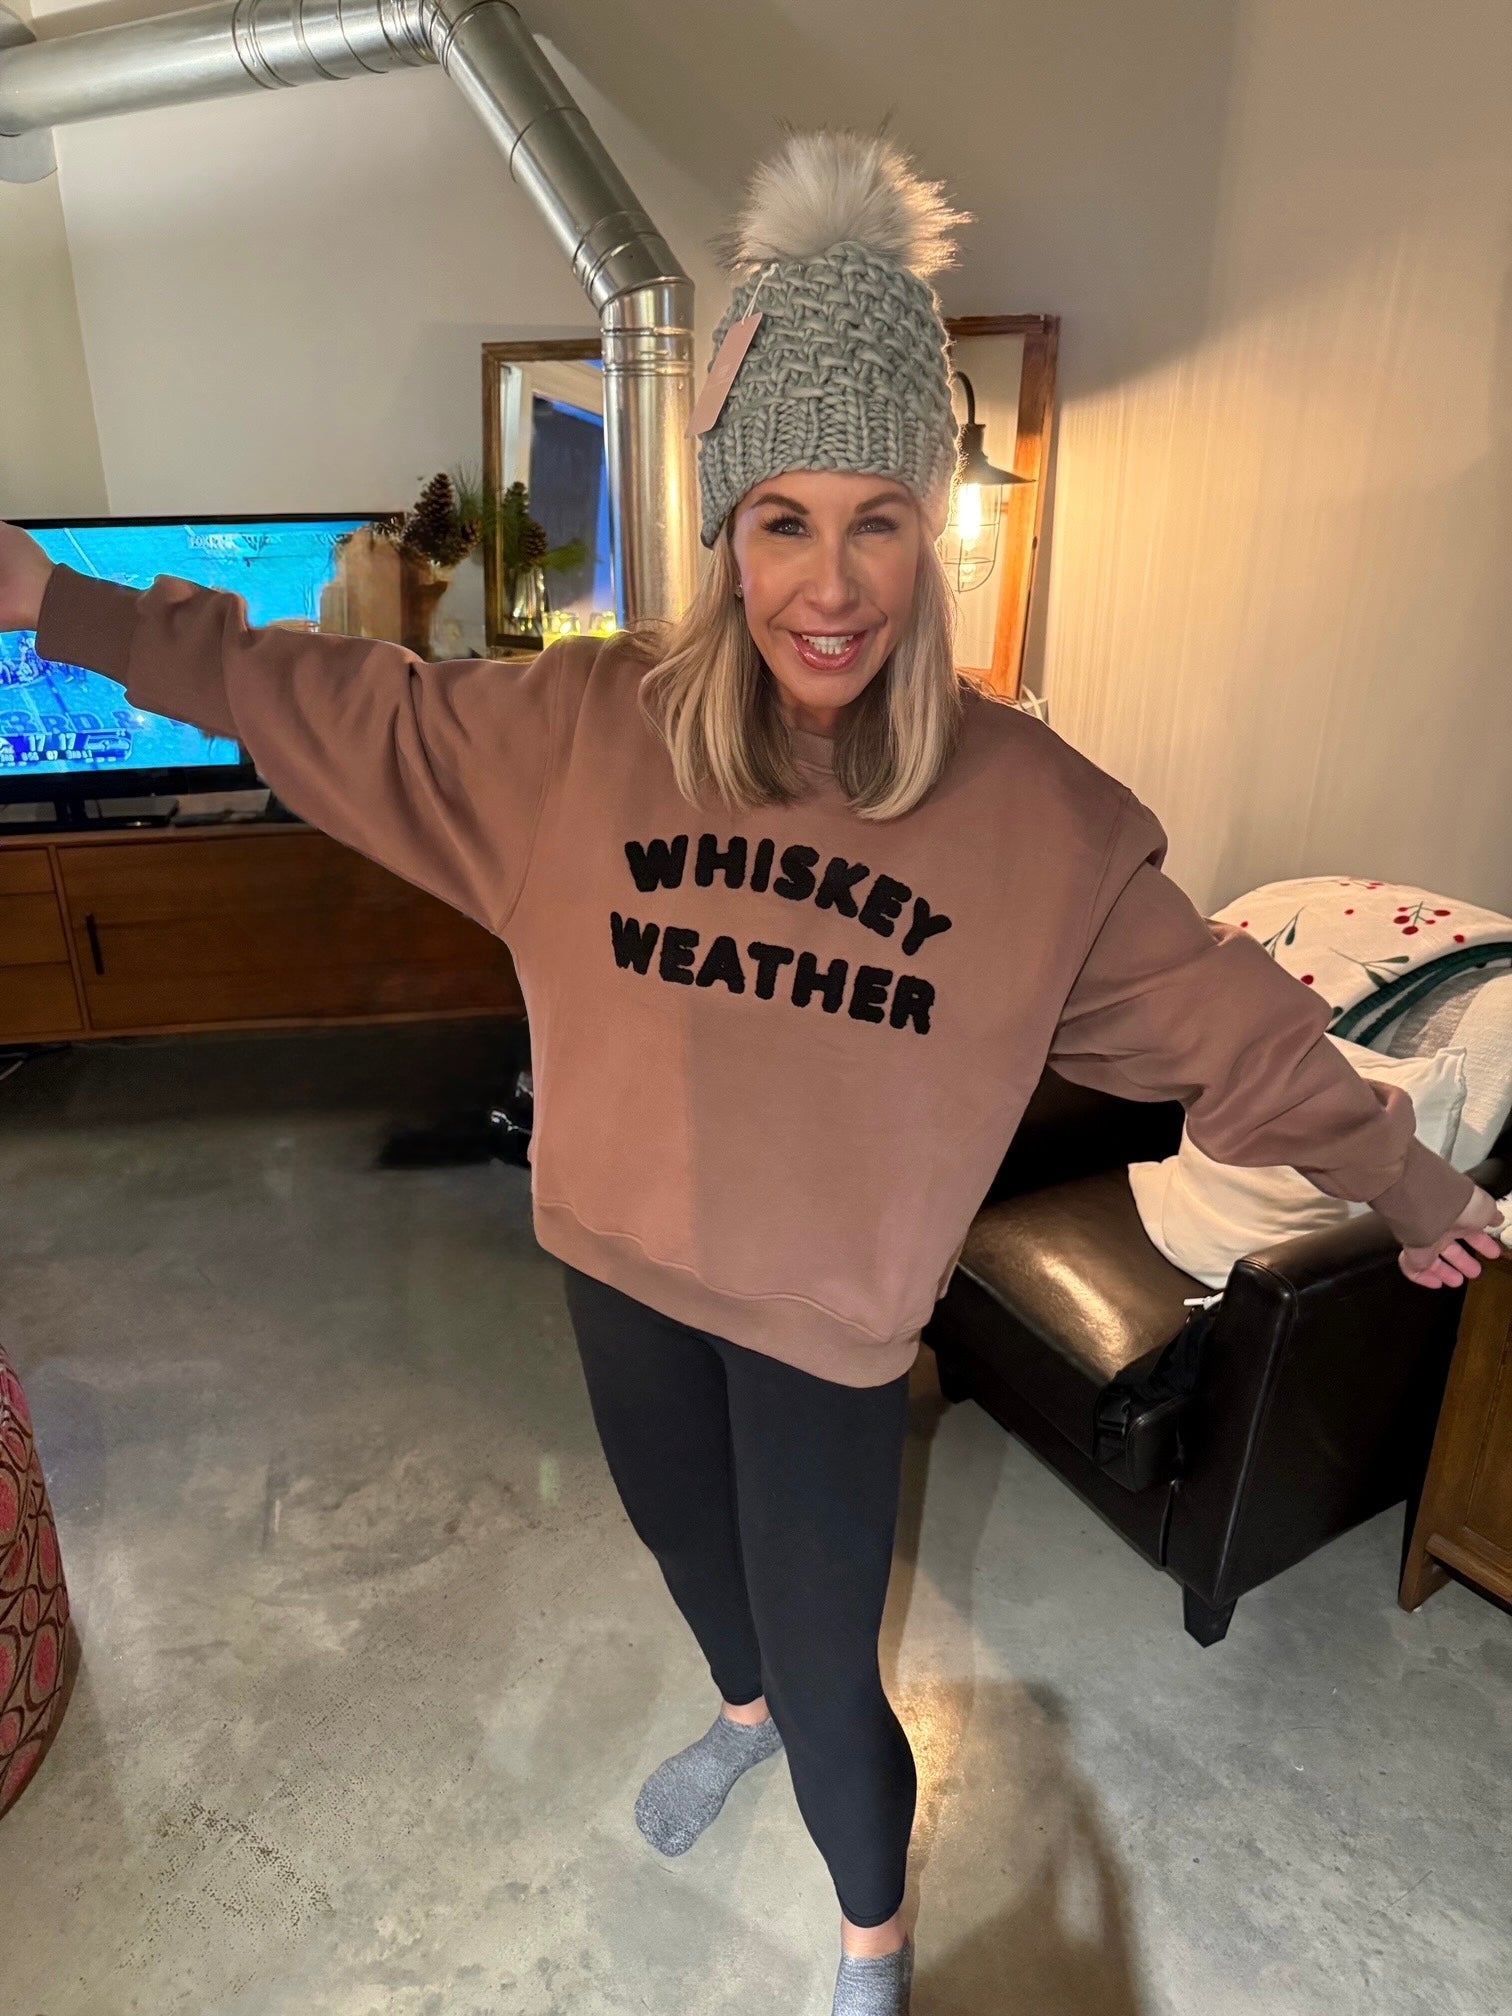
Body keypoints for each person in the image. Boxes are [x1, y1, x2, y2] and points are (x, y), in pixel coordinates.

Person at [0, 126, 1502, 2016]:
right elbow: (327, 699)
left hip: (823, 1342)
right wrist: (57, 604)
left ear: (932, 530)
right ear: (725, 530)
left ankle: (869, 1945)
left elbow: (1241, 1034)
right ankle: (733, 1715)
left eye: (879, 517)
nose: (830, 582)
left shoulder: (1036, 823)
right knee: (683, 1553)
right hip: (614, 1270)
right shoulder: (581, 733)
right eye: (782, 518)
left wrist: (1419, 1189)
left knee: (828, 1662)